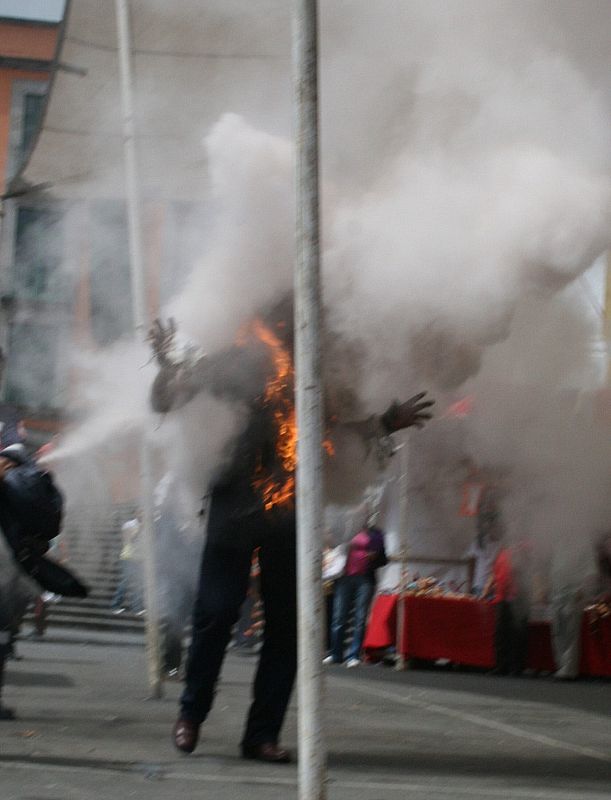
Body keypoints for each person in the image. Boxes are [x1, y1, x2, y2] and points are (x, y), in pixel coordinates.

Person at [147, 312, 433, 762]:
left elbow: (336, 432)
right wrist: (166, 363)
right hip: (234, 503)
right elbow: (166, 400)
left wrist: (385, 423)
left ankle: (261, 735)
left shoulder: (315, 374)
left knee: (289, 626)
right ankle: (191, 714)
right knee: (216, 612)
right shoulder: (228, 361)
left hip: (290, 510)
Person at [326, 524, 387, 667]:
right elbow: (331, 545)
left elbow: (383, 558)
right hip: (343, 576)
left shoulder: (375, 534)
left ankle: (354, 655)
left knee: (360, 618)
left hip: (365, 578)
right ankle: (336, 653)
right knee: (339, 617)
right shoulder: (344, 528)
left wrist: (373, 557)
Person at [483, 525, 529, 676]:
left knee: (517, 633)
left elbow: (528, 571)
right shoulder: (502, 552)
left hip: (517, 597)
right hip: (501, 597)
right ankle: (500, 665)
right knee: (500, 633)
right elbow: (494, 573)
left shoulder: (524, 549)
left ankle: (516, 666)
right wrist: (487, 588)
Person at [111, 515, 144, 615]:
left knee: (138, 583)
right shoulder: (129, 524)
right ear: (137, 512)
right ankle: (115, 605)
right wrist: (140, 529)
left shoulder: (146, 526)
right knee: (125, 582)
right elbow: (129, 539)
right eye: (142, 511)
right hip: (128, 557)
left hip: (139, 558)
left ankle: (137, 608)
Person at [465, 510, 501, 597]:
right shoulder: (479, 542)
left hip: (492, 589)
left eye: (495, 526)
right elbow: (470, 562)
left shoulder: (501, 545)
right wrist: (469, 585)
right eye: (491, 526)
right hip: (478, 585)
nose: (493, 529)